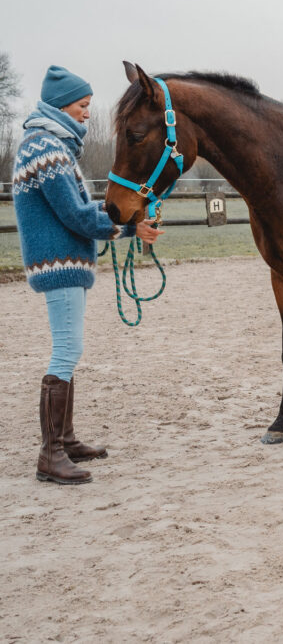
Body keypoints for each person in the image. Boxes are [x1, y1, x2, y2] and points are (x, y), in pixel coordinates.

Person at [12, 65, 163, 485]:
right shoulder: (45, 150)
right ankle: (51, 453)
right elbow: (77, 216)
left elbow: (82, 214)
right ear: (62, 105)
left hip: (67, 264)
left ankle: (66, 439)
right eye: (82, 106)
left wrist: (133, 225)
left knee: (68, 349)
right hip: (58, 265)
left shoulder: (54, 147)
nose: (85, 113)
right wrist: (128, 228)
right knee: (66, 350)